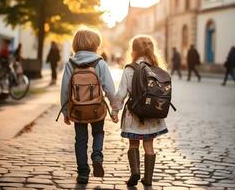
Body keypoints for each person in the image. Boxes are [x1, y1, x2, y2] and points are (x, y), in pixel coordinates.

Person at [60, 28, 117, 184]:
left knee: (80, 140)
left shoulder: (71, 63)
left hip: (78, 109)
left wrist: (65, 112)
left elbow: (65, 89)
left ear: (75, 44)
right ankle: (97, 155)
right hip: (97, 108)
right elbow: (110, 89)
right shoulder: (100, 63)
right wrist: (114, 109)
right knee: (98, 132)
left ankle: (83, 173)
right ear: (95, 44)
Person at [112, 35, 168, 187]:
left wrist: (115, 111)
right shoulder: (157, 69)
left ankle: (135, 172)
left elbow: (121, 93)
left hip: (134, 114)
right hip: (152, 115)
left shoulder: (130, 69)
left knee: (134, 144)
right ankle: (148, 178)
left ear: (133, 50)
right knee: (149, 146)